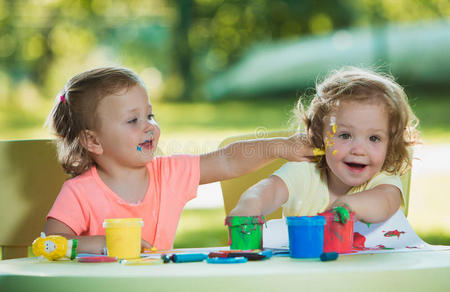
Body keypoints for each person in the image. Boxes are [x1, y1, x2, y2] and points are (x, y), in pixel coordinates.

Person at [43, 66, 316, 254]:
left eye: (150, 116)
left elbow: (227, 161)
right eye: (132, 120)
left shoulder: (168, 174)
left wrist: (279, 147)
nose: (149, 126)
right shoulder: (79, 193)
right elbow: (49, 244)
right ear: (93, 141)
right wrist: (100, 243)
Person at [229, 66, 419, 224]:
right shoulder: (305, 172)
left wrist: (346, 206)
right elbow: (270, 190)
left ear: (391, 144)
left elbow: (385, 203)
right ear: (320, 135)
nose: (359, 150)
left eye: (374, 138)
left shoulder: (382, 179)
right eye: (345, 135)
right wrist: (251, 204)